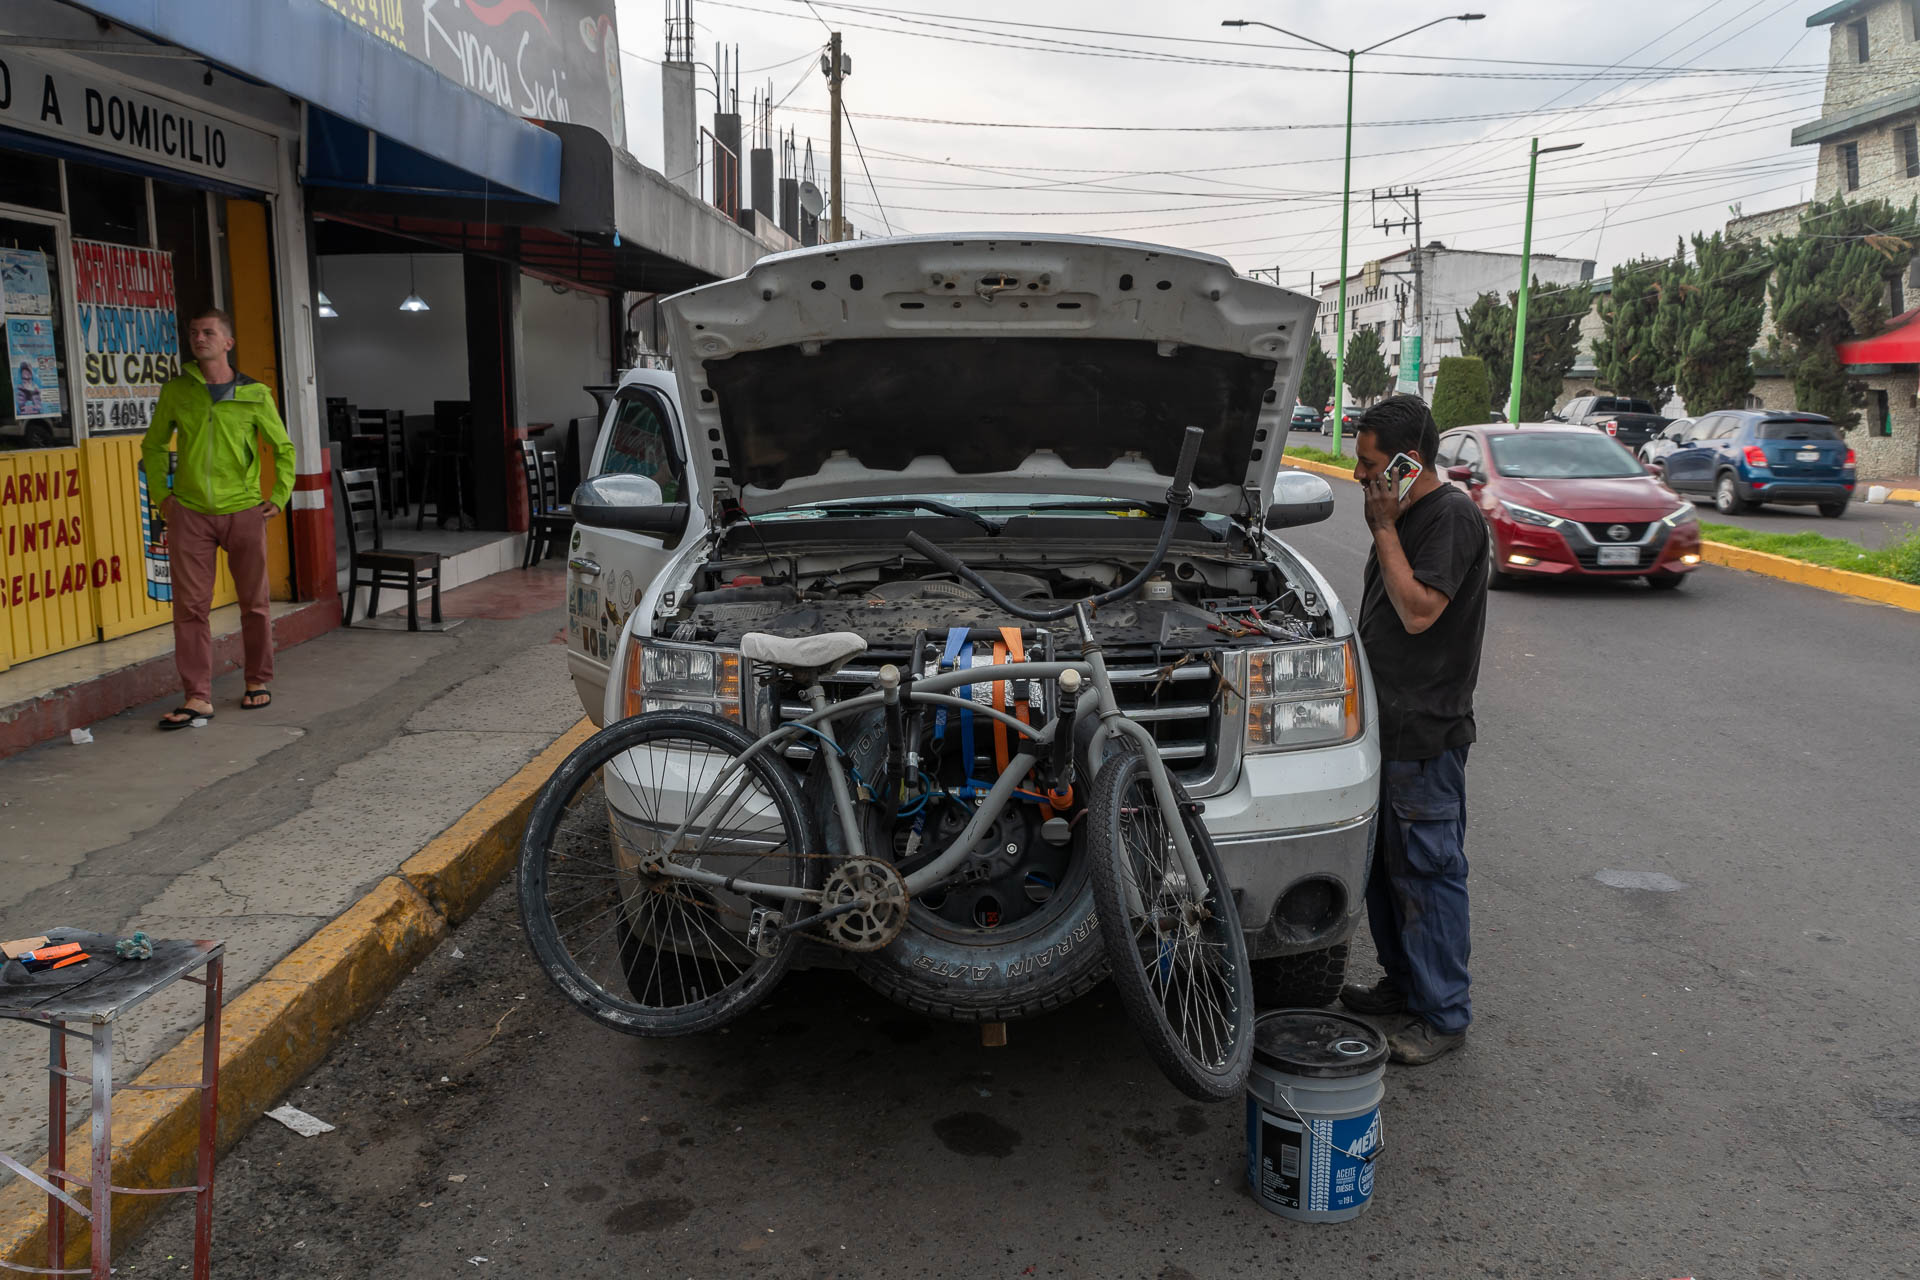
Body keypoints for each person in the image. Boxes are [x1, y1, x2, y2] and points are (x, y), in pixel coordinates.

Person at [1340, 394, 1488, 1065]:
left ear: (1408, 462)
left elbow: (1420, 611)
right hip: (1385, 729)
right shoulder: (1404, 513)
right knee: (1386, 874)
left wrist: (1383, 528)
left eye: (1371, 466)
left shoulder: (1448, 517)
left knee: (1428, 874)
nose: (1361, 478)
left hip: (1426, 734)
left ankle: (1442, 1014)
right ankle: (1404, 987)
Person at [141, 309, 295, 730]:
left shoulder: (255, 394)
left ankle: (257, 680)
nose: (199, 338)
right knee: (190, 609)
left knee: (255, 604)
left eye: (209, 332)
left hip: (243, 509)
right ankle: (198, 696)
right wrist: (163, 497)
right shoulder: (177, 390)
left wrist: (278, 497)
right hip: (189, 512)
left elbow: (283, 448)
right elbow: (153, 445)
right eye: (194, 332)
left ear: (228, 342)